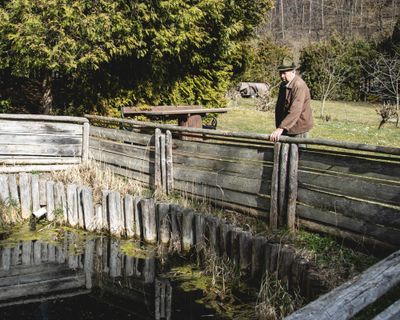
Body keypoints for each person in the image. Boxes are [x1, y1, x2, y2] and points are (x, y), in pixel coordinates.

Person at [270, 58, 313, 143]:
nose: (282, 76)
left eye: (284, 73)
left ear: (293, 72)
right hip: (286, 127)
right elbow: (279, 107)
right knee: (283, 153)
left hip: (299, 129)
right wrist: (280, 126)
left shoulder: (299, 85)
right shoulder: (283, 85)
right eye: (280, 73)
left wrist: (281, 128)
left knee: (297, 154)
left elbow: (295, 110)